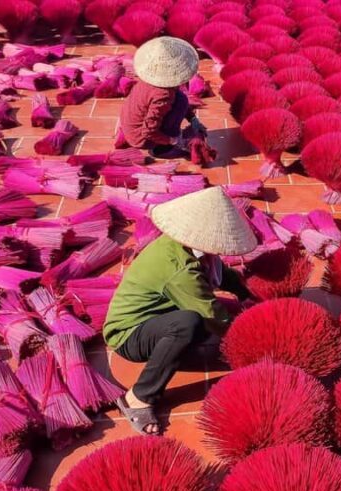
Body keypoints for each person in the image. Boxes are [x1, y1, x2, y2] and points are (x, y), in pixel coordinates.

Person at [104, 187, 257, 435]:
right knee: (188, 323)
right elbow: (211, 312)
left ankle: (174, 348)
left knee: (197, 323)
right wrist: (253, 342)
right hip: (129, 334)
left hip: (158, 317)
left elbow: (221, 272)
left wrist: (247, 295)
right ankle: (138, 397)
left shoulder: (189, 245)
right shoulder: (180, 268)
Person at [120, 36, 206, 159]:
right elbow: (148, 131)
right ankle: (161, 149)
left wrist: (192, 119)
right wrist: (173, 140)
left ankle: (164, 141)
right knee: (181, 103)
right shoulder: (163, 95)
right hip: (141, 138)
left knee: (180, 98)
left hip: (130, 127)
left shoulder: (151, 78)